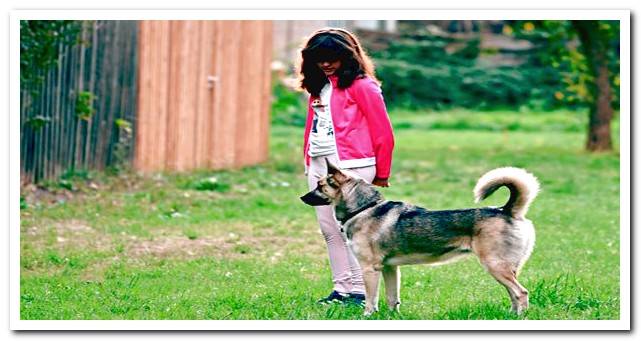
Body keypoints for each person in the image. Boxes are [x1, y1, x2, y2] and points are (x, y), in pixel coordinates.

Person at [298, 28, 395, 306]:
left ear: (347, 56)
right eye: (319, 59)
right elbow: (312, 128)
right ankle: (342, 290)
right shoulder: (318, 88)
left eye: (332, 58)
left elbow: (383, 132)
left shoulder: (363, 86)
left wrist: (382, 172)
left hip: (353, 166)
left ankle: (361, 291)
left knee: (354, 231)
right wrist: (308, 162)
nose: (326, 64)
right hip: (319, 163)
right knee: (329, 229)